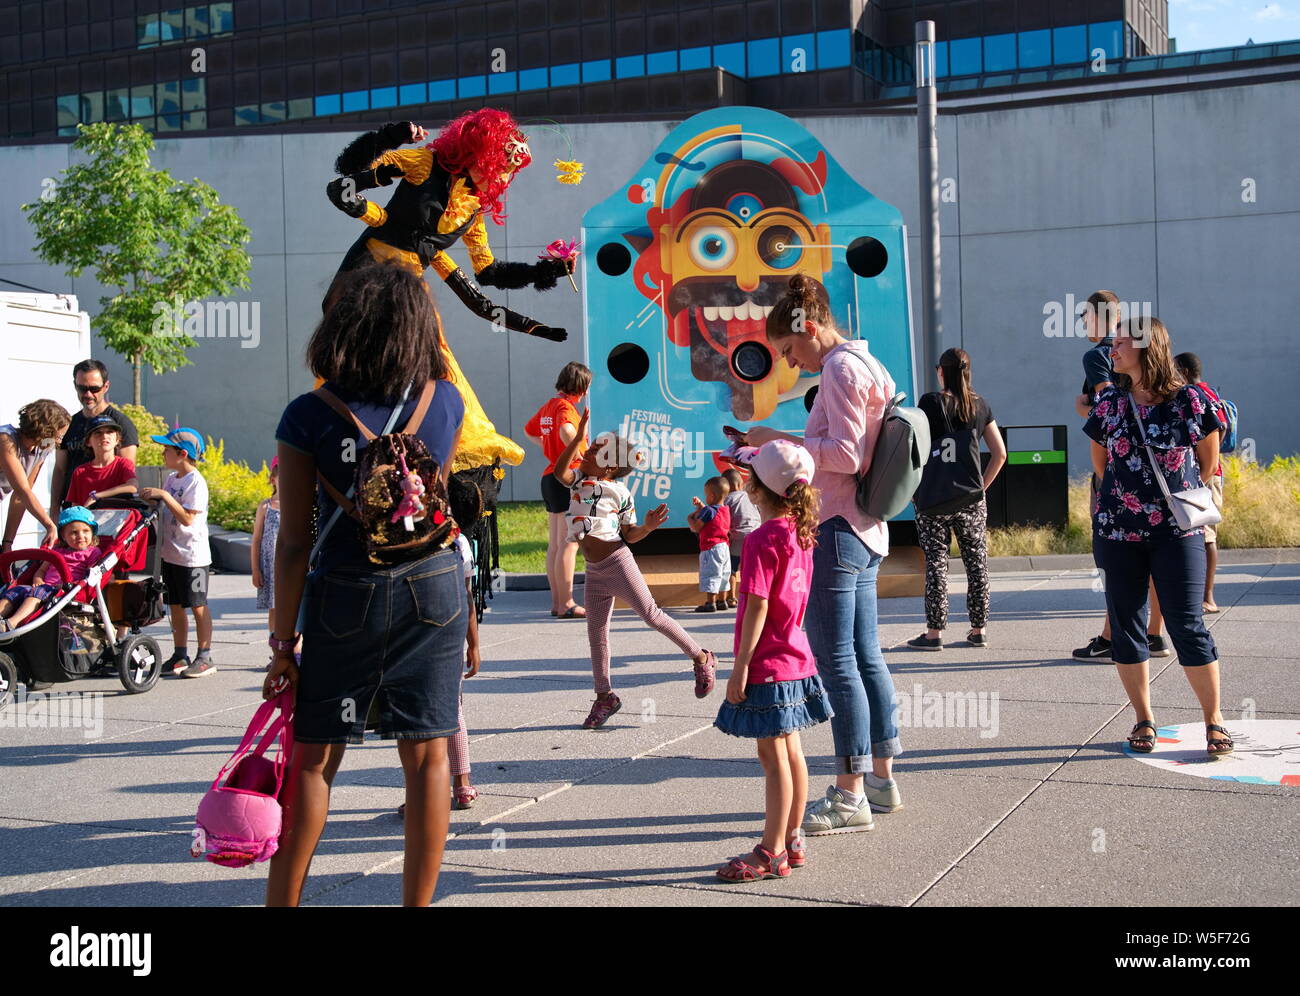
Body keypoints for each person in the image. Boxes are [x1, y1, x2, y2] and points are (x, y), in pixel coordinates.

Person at [265, 263, 467, 907]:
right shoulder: (448, 401)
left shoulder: (308, 415)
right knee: (429, 757)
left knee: (316, 760)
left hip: (347, 591)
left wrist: (281, 642)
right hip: (436, 587)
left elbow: (294, 541)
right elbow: (439, 514)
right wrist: (473, 620)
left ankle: (284, 901)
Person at [746, 273, 903, 832]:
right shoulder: (868, 362)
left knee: (838, 662)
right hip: (867, 526)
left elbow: (843, 454)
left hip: (836, 527)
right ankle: (880, 780)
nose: (791, 363)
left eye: (789, 349)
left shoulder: (837, 368)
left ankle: (850, 792)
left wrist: (775, 443)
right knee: (866, 657)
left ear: (809, 327)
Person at [1083, 317, 1232, 758]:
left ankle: (1215, 719)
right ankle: (1143, 718)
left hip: (1177, 531)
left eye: (1123, 341)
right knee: (1127, 624)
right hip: (1119, 531)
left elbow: (1208, 458)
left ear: (1149, 347)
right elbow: (1100, 463)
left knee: (1188, 624)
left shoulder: (1188, 400)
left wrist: (1171, 498)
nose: (1114, 347)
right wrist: (1129, 501)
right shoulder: (1109, 403)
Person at [552, 408, 717, 729]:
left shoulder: (621, 493)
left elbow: (630, 535)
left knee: (651, 615)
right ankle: (605, 696)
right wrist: (583, 427)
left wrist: (649, 527)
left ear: (610, 466)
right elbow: (560, 470)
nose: (586, 452)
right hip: (595, 569)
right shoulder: (577, 482)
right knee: (596, 634)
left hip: (618, 561)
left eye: (595, 451)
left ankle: (701, 657)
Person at [714, 440, 833, 882]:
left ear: (754, 487)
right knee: (793, 751)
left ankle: (771, 851)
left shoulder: (765, 538)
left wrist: (741, 664)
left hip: (768, 661)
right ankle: (793, 836)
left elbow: (758, 605)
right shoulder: (801, 530)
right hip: (797, 657)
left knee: (772, 757)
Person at [1071, 292, 1168, 663]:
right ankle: (1154, 634)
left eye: (1084, 317)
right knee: (1158, 553)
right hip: (1158, 475)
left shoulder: (1098, 356)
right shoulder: (1145, 347)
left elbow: (1108, 409)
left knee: (1117, 557)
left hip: (1119, 472)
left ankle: (1114, 636)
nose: (1082, 325)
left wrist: (1082, 406)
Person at [907, 348, 1006, 650]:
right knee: (976, 563)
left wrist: (914, 491)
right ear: (968, 371)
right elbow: (1000, 454)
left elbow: (915, 448)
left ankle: (934, 633)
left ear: (941, 372)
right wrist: (980, 489)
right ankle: (979, 629)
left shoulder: (929, 402)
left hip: (934, 498)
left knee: (936, 563)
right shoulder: (981, 406)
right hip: (971, 499)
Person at [138, 427, 213, 679]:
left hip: (193, 557)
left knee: (198, 605)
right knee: (176, 606)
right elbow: (165, 504)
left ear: (182, 454)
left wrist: (164, 496)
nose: (162, 453)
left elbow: (188, 519)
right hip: (172, 555)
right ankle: (180, 653)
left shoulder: (196, 482)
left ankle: (205, 655)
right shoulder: (172, 478)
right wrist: (152, 499)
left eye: (166, 449)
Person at [524, 361, 591, 619]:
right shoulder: (565, 409)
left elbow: (529, 430)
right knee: (569, 543)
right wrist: (582, 451)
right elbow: (566, 433)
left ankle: (556, 602)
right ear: (580, 387)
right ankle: (567, 603)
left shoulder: (549, 406)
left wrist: (547, 447)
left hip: (549, 478)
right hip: (566, 478)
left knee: (554, 544)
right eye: (586, 388)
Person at [1174, 352, 1227, 613]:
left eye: (1174, 370)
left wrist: (1202, 470)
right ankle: (1200, 596)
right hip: (1204, 474)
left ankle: (1207, 597)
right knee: (1198, 535)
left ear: (1183, 370)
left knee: (1206, 536)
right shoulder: (1209, 392)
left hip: (1204, 476)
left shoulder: (1197, 394)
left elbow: (1218, 429)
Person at [49, 359, 139, 509]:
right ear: (75, 386)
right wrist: (54, 509)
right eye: (82, 388)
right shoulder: (68, 425)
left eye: (94, 389)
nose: (88, 394)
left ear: (106, 387)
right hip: (74, 510)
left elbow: (128, 474)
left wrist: (98, 496)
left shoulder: (121, 424)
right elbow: (60, 470)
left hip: (110, 511)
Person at [0, 506, 100, 631]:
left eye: (86, 531)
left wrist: (71, 585)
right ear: (63, 535)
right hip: (44, 586)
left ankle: (11, 623)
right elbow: (41, 570)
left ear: (92, 532)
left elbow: (89, 574)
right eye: (74, 532)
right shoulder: (57, 551)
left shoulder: (92, 552)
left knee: (38, 592)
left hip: (66, 591)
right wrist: (37, 579)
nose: (80, 536)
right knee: (17, 589)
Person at [0, 399, 71, 553]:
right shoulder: (5, 439)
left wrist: (7, 542)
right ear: (46, 430)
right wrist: (50, 525)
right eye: (59, 436)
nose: (60, 441)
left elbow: (20, 499)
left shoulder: (41, 451)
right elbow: (23, 490)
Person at [65, 415, 138, 508]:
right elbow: (75, 508)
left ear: (117, 440)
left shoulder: (123, 464)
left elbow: (132, 487)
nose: (104, 436)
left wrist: (96, 496)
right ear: (88, 442)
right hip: (90, 521)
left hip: (119, 519)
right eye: (98, 433)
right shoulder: (80, 472)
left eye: (110, 432)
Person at [250, 457, 284, 645]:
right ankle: (276, 650)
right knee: (274, 610)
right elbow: (256, 540)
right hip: (270, 568)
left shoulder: (297, 505)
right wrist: (255, 570)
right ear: (273, 479)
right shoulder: (265, 506)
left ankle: (295, 649)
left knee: (293, 608)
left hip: (289, 568)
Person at [687, 476, 731, 613]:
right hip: (724, 546)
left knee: (711, 573)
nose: (705, 498)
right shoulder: (725, 510)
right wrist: (701, 506)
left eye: (706, 495)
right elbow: (711, 514)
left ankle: (710, 603)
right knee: (724, 574)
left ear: (711, 496)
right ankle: (722, 601)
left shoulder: (708, 511)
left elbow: (697, 527)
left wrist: (690, 518)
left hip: (711, 548)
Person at [721, 467, 759, 609]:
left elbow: (723, 520)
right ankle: (750, 597)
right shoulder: (751, 498)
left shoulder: (727, 500)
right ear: (740, 484)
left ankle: (732, 597)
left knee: (731, 569)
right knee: (749, 569)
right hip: (755, 536)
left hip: (737, 538)